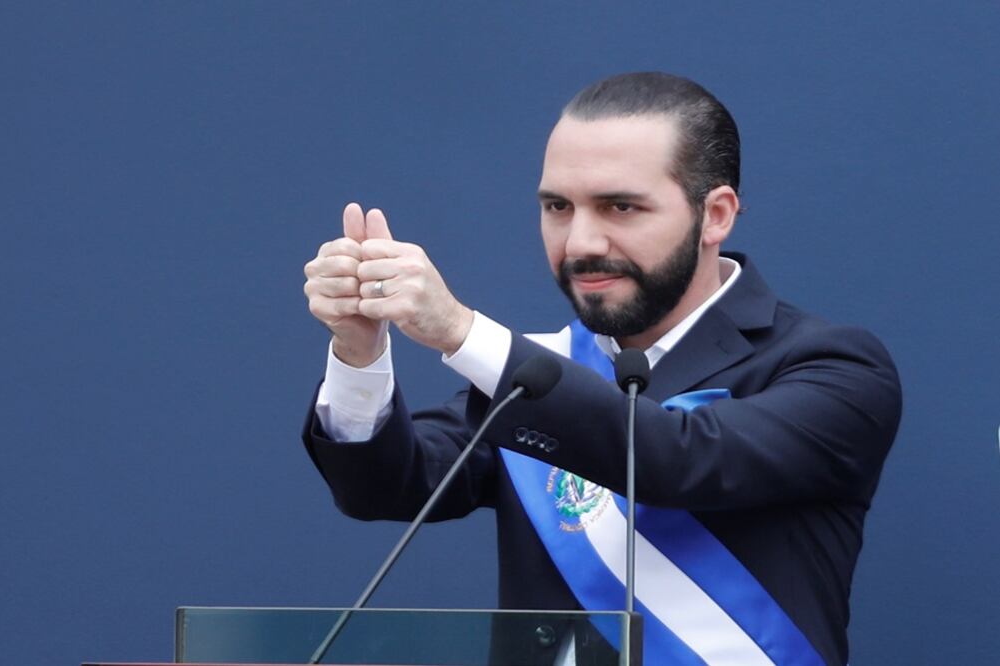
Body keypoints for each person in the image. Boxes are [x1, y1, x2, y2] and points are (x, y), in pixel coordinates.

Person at [301, 72, 901, 665]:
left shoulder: (835, 367)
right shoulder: (543, 372)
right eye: (558, 207)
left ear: (715, 215)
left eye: (620, 206)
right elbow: (385, 487)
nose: (581, 242)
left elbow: (684, 459)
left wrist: (460, 331)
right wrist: (359, 351)